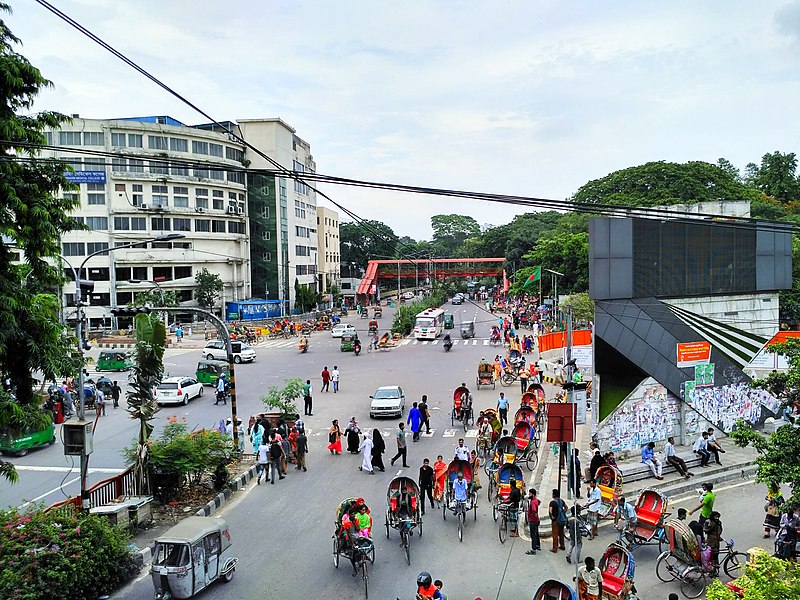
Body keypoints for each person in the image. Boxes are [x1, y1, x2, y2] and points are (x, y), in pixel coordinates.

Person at [549, 488, 567, 553]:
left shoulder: (552, 502)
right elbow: (566, 507)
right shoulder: (561, 501)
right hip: (561, 520)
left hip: (555, 520)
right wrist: (563, 513)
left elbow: (550, 511)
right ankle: (562, 545)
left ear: (553, 495)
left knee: (555, 534)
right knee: (561, 533)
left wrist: (552, 518)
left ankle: (555, 548)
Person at [526, 488, 541, 555]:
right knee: (536, 533)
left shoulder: (532, 502)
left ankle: (533, 549)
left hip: (533, 521)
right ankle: (537, 545)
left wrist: (532, 515)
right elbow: (539, 502)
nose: (529, 495)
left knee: (533, 535)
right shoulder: (535, 500)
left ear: (532, 494)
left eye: (529, 494)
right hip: (536, 520)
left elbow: (534, 511)